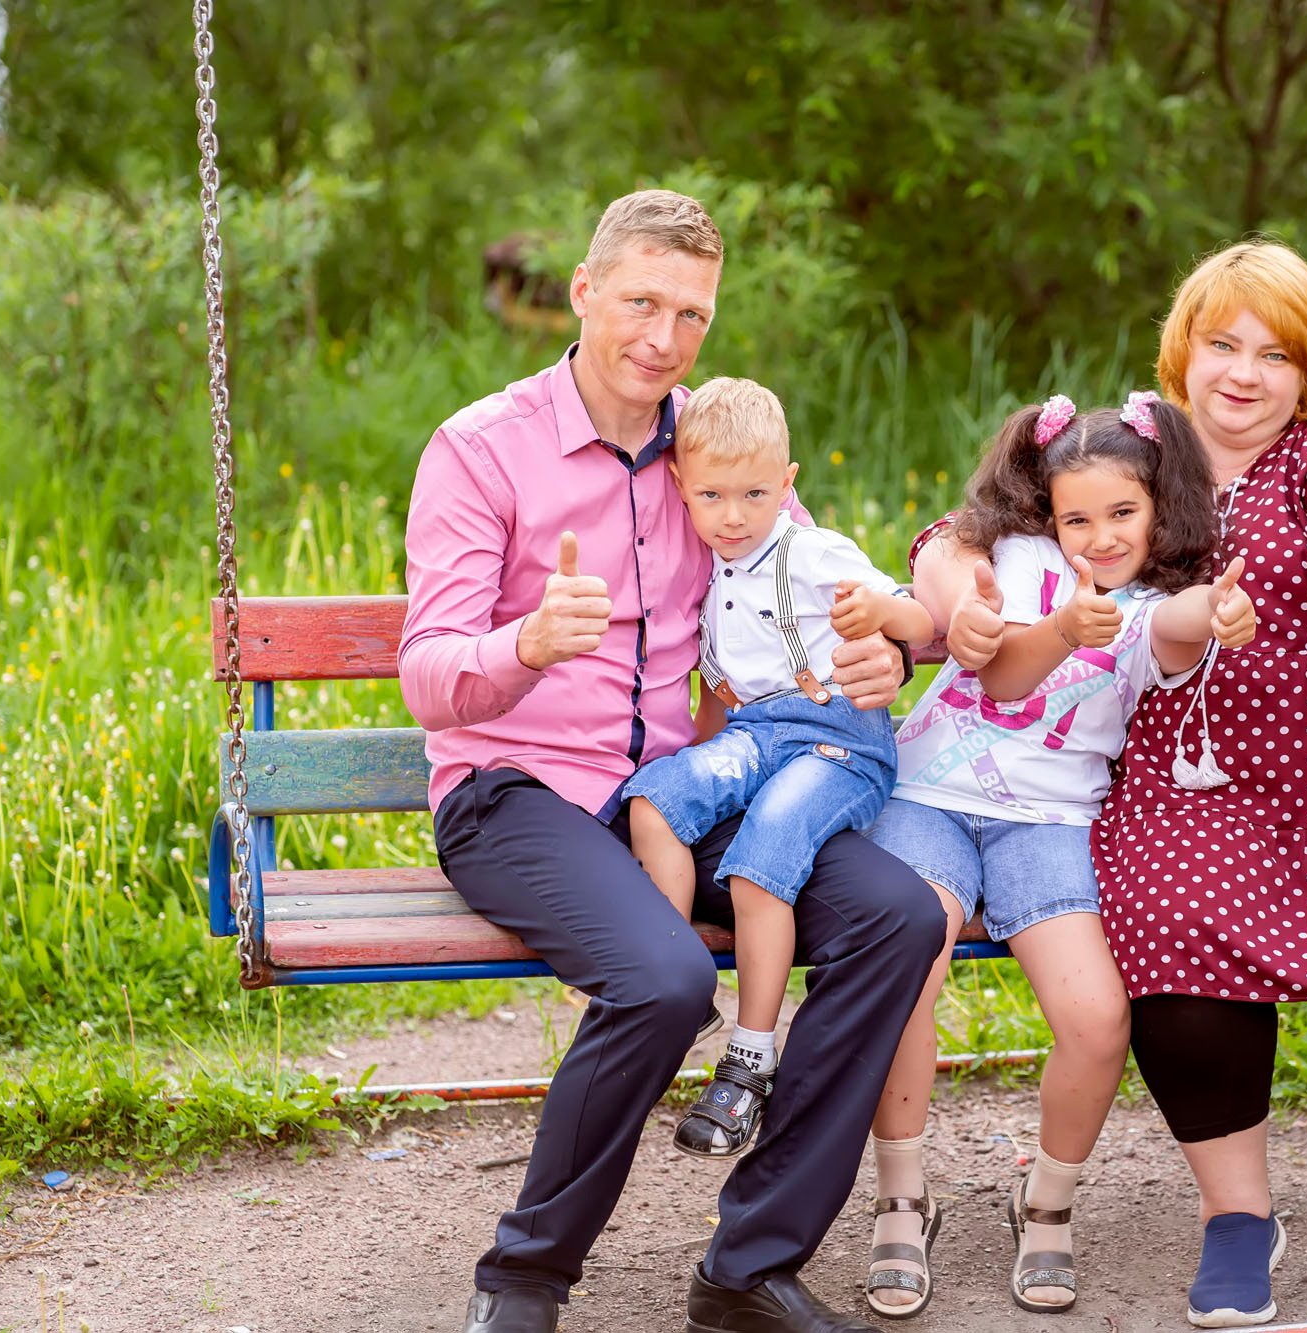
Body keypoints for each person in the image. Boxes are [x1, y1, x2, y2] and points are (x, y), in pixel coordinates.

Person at [914, 240, 1307, 1326]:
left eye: (1275, 353)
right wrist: (943, 565)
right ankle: (1237, 1217)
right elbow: (989, 514)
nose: (1244, 373)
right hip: (1198, 782)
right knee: (1166, 920)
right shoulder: (1141, 453)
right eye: (1221, 344)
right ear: (1183, 352)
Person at [400, 189, 945, 1333]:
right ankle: (525, 1278)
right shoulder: (481, 448)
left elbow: (814, 597)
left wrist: (873, 661)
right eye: (640, 302)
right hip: (517, 793)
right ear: (583, 292)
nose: (662, 337)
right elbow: (430, 672)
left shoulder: (718, 446)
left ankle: (746, 1265)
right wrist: (524, 643)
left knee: (897, 915)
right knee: (661, 979)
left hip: (693, 785)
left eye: (690, 314)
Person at [861, 392, 1259, 1317]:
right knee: (907, 967)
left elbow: (1181, 621)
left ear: (1159, 506)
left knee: (1095, 1019)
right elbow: (999, 678)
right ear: (1048, 511)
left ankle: (1045, 1204)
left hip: (1051, 824)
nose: (1100, 536)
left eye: (1123, 513)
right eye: (1079, 516)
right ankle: (901, 1197)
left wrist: (1220, 609)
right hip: (930, 799)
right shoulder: (1012, 561)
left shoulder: (1152, 601)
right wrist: (1051, 629)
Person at [624, 375, 937, 1160]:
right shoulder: (705, 564)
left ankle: (750, 1056)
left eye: (755, 494)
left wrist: (881, 618)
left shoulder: (812, 551)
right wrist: (702, 766)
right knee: (657, 799)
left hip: (839, 743)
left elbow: (918, 617)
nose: (733, 516)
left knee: (763, 853)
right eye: (713, 496)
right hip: (759, 735)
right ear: (682, 488)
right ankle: (680, 971)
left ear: (788, 484)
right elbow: (717, 703)